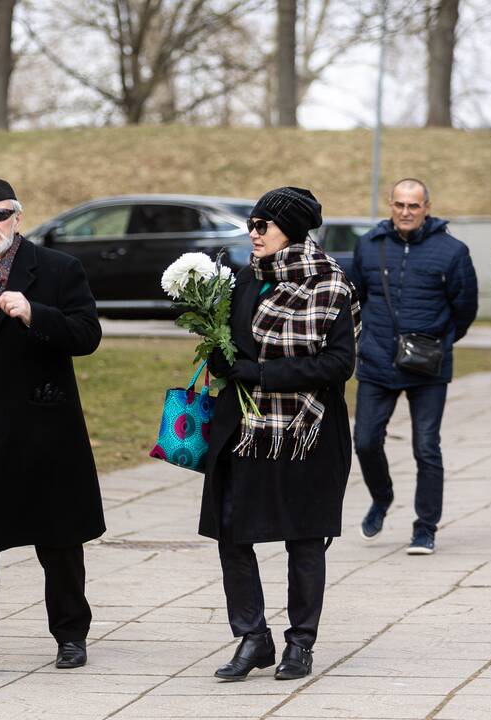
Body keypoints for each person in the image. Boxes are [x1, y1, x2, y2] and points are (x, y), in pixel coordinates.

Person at [0, 178, 106, 683]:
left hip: (43, 427)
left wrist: (35, 314)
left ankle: (71, 634)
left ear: (18, 218)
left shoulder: (56, 269)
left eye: (1, 214)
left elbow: (87, 335)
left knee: (58, 541)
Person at [203, 187, 360, 682]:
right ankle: (252, 637)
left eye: (262, 226)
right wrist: (218, 357)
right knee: (231, 533)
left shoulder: (330, 285)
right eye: (251, 224)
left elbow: (339, 364)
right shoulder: (244, 281)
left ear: (290, 230)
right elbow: (230, 345)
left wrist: (260, 374)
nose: (252, 233)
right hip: (243, 429)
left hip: (305, 432)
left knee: (305, 540)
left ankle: (300, 644)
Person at [350, 178, 478, 555]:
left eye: (414, 206)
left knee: (426, 447)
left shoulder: (452, 251)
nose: (406, 212)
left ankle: (425, 527)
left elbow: (465, 307)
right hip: (375, 361)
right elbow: (357, 296)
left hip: (428, 367)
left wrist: (439, 342)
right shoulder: (369, 246)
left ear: (427, 208)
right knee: (366, 441)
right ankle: (382, 497)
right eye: (400, 204)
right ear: (390, 205)